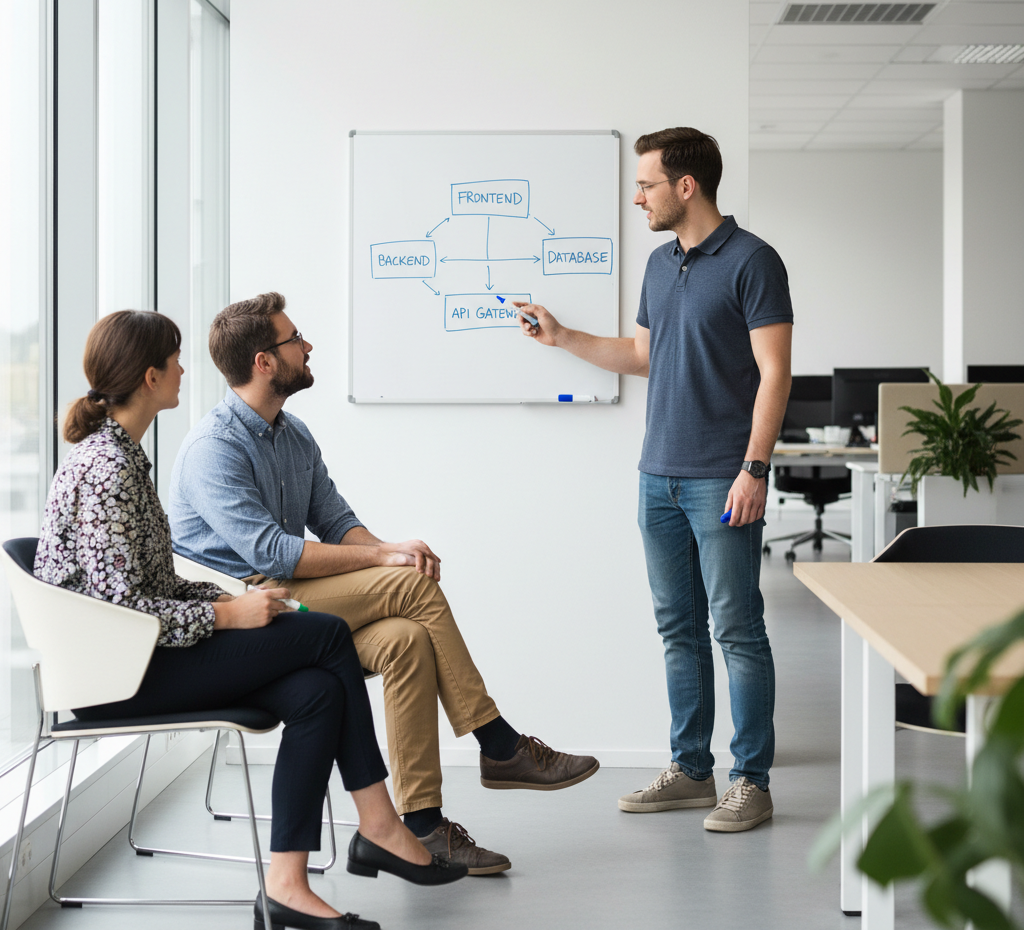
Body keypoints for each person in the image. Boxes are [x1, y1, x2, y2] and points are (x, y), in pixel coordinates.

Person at [34, 310, 467, 930]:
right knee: (323, 633)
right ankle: (378, 823)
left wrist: (227, 602)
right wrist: (227, 613)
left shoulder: (124, 456)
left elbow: (150, 584)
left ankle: (287, 884)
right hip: (119, 675)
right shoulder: (108, 470)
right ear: (151, 377)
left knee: (317, 690)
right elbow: (122, 611)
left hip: (145, 655)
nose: (186, 369)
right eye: (175, 359)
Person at [168, 293, 599, 874]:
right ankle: (500, 745)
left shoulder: (292, 436)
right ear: (264, 362)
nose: (308, 345)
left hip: (290, 598)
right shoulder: (213, 447)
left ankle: (421, 825)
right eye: (296, 339)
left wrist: (388, 548)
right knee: (413, 587)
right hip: (241, 616)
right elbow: (268, 551)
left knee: (406, 639)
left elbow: (338, 523)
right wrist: (386, 561)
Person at [515, 127, 792, 833]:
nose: (637, 195)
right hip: (657, 477)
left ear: (686, 186)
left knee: (736, 628)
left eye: (647, 184)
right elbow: (642, 356)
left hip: (722, 480)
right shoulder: (660, 263)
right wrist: (563, 337)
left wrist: (754, 467)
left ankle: (751, 781)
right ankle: (691, 771)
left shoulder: (754, 262)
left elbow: (775, 373)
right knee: (679, 628)